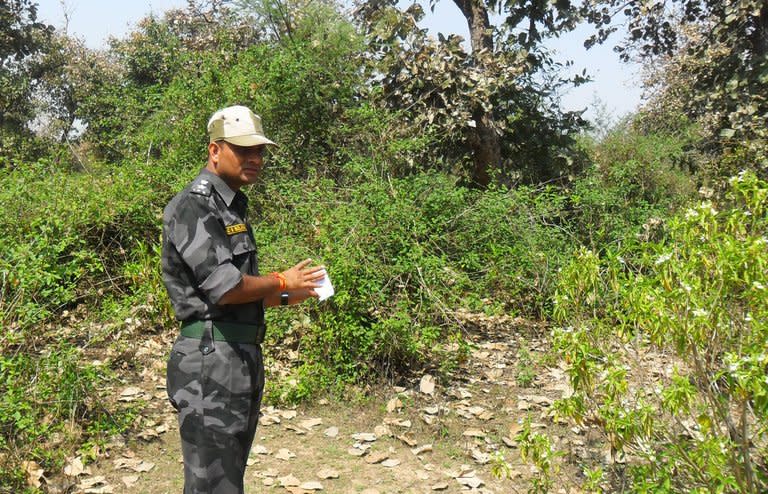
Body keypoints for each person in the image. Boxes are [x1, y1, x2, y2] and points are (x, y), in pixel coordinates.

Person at [161, 105, 324, 493]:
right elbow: (225, 287)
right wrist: (280, 279)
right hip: (210, 362)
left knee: (228, 479)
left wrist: (285, 295)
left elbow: (233, 294)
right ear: (214, 150)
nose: (255, 159)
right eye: (243, 149)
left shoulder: (231, 205)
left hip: (236, 356)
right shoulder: (193, 206)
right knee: (212, 485)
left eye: (260, 151)